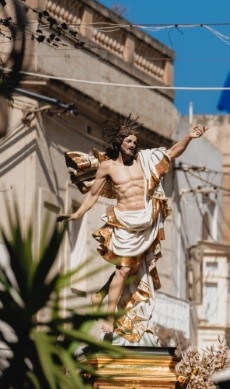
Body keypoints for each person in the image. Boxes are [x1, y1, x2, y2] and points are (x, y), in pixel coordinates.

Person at [58, 116, 208, 346]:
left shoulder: (144, 160)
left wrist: (189, 136)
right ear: (119, 143)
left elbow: (172, 152)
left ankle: (100, 295)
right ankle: (109, 316)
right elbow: (93, 195)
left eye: (135, 142)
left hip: (145, 222)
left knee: (132, 269)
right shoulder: (108, 167)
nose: (132, 145)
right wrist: (78, 214)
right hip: (125, 223)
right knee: (125, 269)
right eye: (128, 141)